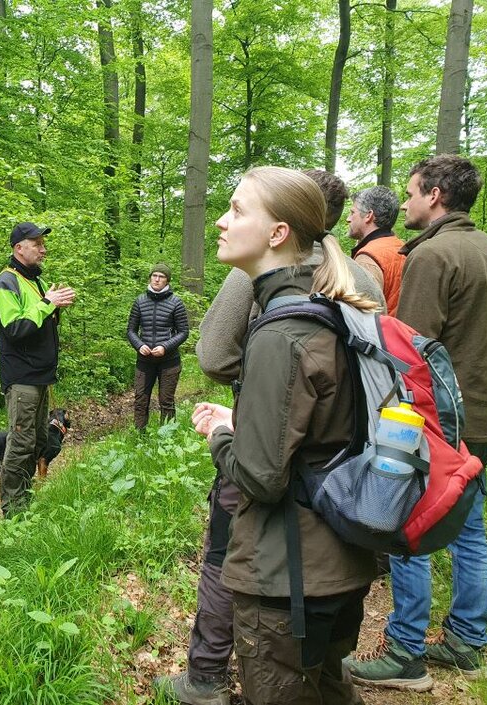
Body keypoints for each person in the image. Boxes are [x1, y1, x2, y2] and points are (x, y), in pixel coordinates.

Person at [156, 170, 384, 704]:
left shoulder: (281, 333)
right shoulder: (340, 290)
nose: (220, 219)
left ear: (278, 232)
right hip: (343, 547)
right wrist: (251, 421)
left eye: (236, 210)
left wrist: (220, 432)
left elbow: (260, 475)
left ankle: (204, 679)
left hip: (290, 571)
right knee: (329, 683)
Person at [345, 155, 487, 690]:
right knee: (469, 524)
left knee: (408, 520)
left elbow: (409, 349)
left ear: (434, 196)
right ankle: (466, 641)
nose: (404, 203)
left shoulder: (432, 255)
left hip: (447, 417)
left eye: (411, 193)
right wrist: (484, 328)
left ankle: (406, 650)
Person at [196, 169, 385, 385]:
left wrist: (255, 388)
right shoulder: (363, 277)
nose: (221, 221)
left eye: (238, 210)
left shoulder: (254, 270)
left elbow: (215, 359)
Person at [0, 222, 76, 517]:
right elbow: (15, 328)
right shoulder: (6, 281)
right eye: (37, 243)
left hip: (41, 376)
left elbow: (37, 321)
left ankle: (24, 502)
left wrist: (54, 307)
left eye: (43, 243)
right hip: (22, 377)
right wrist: (46, 304)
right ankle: (14, 513)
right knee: (21, 443)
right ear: (19, 248)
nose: (44, 249)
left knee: (38, 440)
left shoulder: (35, 281)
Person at [126, 263, 189, 430]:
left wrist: (165, 347)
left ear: (167, 280)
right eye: (154, 275)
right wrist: (139, 345)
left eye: (161, 277)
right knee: (140, 399)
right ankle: (140, 436)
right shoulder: (139, 301)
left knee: (166, 401)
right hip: (144, 360)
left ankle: (166, 437)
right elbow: (131, 331)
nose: (157, 279)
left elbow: (183, 332)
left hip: (169, 361)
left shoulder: (176, 303)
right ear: (150, 278)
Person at [346, 185, 406, 315]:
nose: (348, 219)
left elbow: (363, 317)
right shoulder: (402, 247)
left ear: (369, 215)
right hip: (402, 332)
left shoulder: (368, 258)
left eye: (352, 213)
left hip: (383, 333)